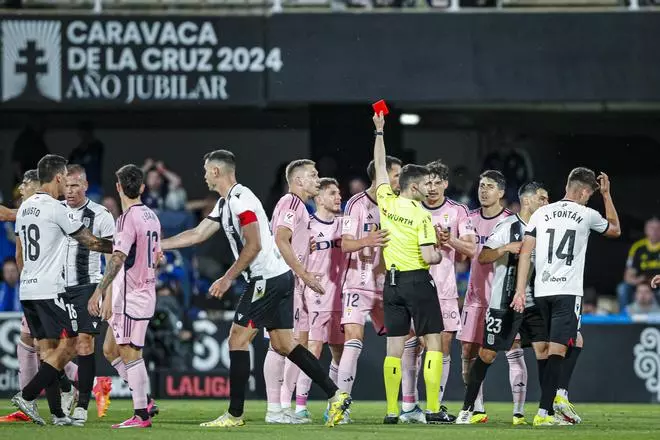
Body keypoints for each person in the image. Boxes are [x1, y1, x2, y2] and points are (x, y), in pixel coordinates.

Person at [159, 150, 351, 428]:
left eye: (205, 170)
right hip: (278, 277)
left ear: (215, 172)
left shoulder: (242, 200)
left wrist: (227, 278)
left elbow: (254, 245)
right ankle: (336, 394)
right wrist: (159, 245)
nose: (202, 175)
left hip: (266, 278)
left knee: (237, 340)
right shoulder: (226, 203)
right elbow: (197, 234)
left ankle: (234, 415)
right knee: (285, 344)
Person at [512, 168, 620, 426]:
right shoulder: (586, 213)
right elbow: (615, 229)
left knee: (574, 340)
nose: (588, 199)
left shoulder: (541, 212)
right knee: (557, 351)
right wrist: (606, 196)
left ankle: (559, 395)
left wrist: (519, 290)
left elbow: (526, 253)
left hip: (541, 290)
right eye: (589, 195)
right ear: (583, 191)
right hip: (568, 291)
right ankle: (545, 412)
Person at [11, 154, 113, 426]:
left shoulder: (25, 208)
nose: (66, 185)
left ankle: (57, 414)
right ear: (58, 177)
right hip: (49, 290)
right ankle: (28, 395)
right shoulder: (57, 209)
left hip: (28, 290)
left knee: (48, 351)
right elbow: (90, 242)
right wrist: (122, 246)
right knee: (70, 346)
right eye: (64, 179)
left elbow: (21, 250)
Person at [371, 112, 445, 424]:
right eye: (427, 184)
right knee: (433, 342)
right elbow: (430, 258)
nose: (431, 189)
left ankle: (391, 410)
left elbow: (379, 167)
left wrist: (379, 132)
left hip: (391, 283)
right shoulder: (421, 216)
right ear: (414, 187)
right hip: (417, 280)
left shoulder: (386, 200)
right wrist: (439, 249)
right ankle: (430, 409)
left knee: (394, 347)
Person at [457, 182, 550, 425]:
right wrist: (506, 248)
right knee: (487, 354)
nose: (546, 203)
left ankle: (545, 411)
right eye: (542, 198)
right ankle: (467, 409)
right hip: (503, 301)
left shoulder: (547, 228)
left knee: (544, 351)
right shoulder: (508, 226)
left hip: (533, 302)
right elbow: (484, 256)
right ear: (528, 201)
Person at [87, 164, 161, 429]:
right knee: (110, 349)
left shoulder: (127, 218)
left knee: (131, 354)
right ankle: (146, 400)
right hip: (142, 292)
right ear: (142, 187)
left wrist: (99, 290)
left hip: (131, 296)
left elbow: (118, 258)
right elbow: (156, 254)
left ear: (118, 187)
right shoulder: (151, 216)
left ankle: (141, 413)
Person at [411, 159, 476, 423]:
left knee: (444, 345)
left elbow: (471, 249)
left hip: (445, 289)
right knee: (413, 346)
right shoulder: (411, 209)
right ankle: (409, 404)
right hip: (413, 287)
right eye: (428, 182)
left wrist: (451, 241)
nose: (433, 187)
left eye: (438, 182)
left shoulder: (459, 211)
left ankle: (434, 405)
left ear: (446, 184)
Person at [336, 155, 398, 416]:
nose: (400, 179)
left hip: (388, 284)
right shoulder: (356, 204)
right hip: (357, 283)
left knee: (409, 341)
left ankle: (406, 405)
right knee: (353, 339)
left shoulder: (398, 205)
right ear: (381, 176)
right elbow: (346, 243)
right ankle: (341, 405)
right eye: (396, 174)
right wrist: (368, 239)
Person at [266, 158, 324, 422]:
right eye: (313, 175)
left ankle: (283, 406)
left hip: (292, 282)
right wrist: (304, 274)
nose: (317, 180)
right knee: (279, 346)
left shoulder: (300, 206)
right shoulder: (290, 202)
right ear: (298, 180)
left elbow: (288, 239)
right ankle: (274, 409)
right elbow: (280, 238)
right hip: (284, 281)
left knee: (291, 345)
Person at [457, 169, 513, 423]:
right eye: (481, 186)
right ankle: (476, 408)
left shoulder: (512, 221)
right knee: (467, 351)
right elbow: (461, 257)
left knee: (511, 351)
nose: (483, 190)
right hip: (475, 297)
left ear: (501, 192)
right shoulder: (468, 219)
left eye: (489, 186)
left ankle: (520, 411)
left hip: (502, 297)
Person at [61, 164, 115, 424]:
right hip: (56, 288)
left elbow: (113, 257)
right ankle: (73, 386)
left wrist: (107, 295)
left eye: (74, 186)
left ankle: (82, 405)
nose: (69, 191)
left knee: (84, 344)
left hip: (87, 287)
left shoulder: (100, 214)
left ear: (84, 186)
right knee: (46, 348)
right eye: (66, 186)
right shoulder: (55, 211)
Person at [293, 178, 348, 423]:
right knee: (313, 349)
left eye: (339, 193)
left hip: (340, 295)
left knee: (340, 351)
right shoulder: (308, 225)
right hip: (315, 294)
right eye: (332, 193)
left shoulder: (344, 225)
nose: (338, 197)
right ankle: (300, 407)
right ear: (320, 199)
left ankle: (333, 406)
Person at [616, 217, 660, 311]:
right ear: (646, 230)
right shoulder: (638, 247)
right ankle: (625, 317)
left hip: (658, 285)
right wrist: (638, 281)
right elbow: (628, 276)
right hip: (640, 284)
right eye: (652, 228)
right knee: (622, 288)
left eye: (658, 228)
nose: (655, 231)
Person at [68, 121, 104, 200]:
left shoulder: (97, 146)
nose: (83, 135)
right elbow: (69, 166)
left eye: (85, 132)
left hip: (93, 188)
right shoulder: (76, 152)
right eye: (81, 132)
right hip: (79, 188)